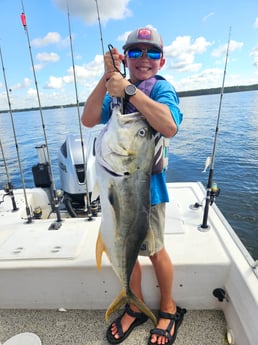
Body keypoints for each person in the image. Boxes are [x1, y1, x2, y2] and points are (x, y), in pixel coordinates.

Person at [81, 27, 185, 345]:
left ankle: (168, 308)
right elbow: (87, 119)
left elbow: (169, 125)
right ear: (125, 57)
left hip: (147, 195)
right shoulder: (114, 89)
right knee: (125, 253)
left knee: (154, 252)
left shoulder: (160, 90)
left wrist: (128, 91)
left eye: (151, 53)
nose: (143, 59)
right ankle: (133, 304)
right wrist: (107, 76)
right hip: (116, 188)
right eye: (135, 52)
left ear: (161, 61)